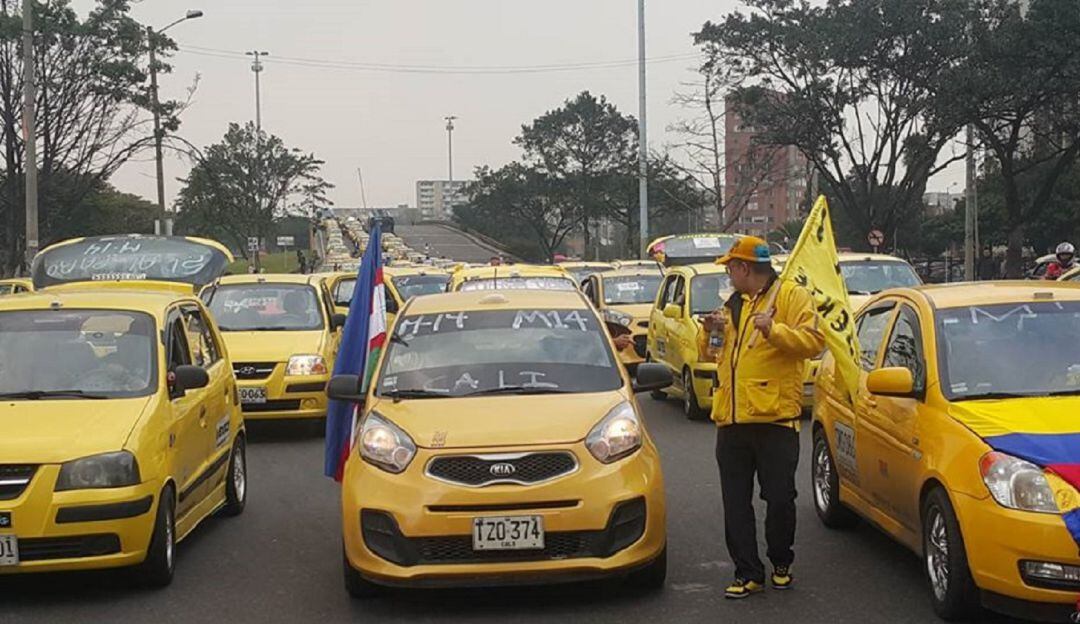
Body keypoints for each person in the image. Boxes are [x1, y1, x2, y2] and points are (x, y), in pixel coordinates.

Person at [700, 236, 825, 600]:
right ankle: (747, 572)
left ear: (744, 268)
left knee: (780, 498)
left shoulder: (791, 297)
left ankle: (781, 561)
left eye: (729, 268)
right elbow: (714, 355)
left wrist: (774, 330)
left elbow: (815, 342)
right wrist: (709, 332)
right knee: (735, 502)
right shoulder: (732, 305)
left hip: (775, 419)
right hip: (732, 420)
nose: (727, 273)